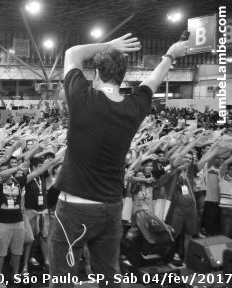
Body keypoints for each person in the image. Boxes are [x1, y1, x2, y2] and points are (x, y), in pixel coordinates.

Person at [49, 33, 189, 288]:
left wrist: (109, 45)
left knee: (62, 278)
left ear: (96, 74)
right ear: (122, 77)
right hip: (111, 208)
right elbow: (152, 81)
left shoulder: (83, 99)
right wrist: (169, 55)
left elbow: (72, 53)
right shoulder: (134, 108)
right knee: (109, 277)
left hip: (75, 209)